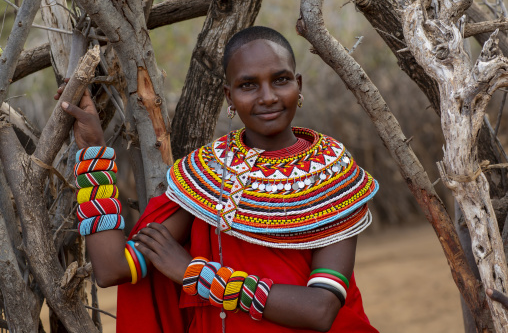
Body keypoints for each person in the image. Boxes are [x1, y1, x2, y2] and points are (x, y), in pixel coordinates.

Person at [59, 26, 379, 332]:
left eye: (280, 80)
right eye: (248, 85)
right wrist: (93, 152)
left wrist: (195, 274)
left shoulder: (333, 177)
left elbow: (320, 309)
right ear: (229, 95)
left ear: (298, 85)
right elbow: (114, 267)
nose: (267, 96)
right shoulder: (206, 177)